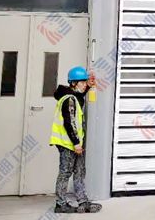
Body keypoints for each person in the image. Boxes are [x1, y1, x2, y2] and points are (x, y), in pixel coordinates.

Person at [50, 66, 102, 214]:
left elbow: (79, 96)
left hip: (74, 143)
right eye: (82, 82)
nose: (85, 84)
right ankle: (60, 204)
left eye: (85, 81)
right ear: (73, 83)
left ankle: (83, 201)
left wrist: (88, 87)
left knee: (79, 171)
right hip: (68, 143)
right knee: (65, 173)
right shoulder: (68, 99)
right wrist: (76, 143)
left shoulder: (73, 96)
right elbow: (69, 123)